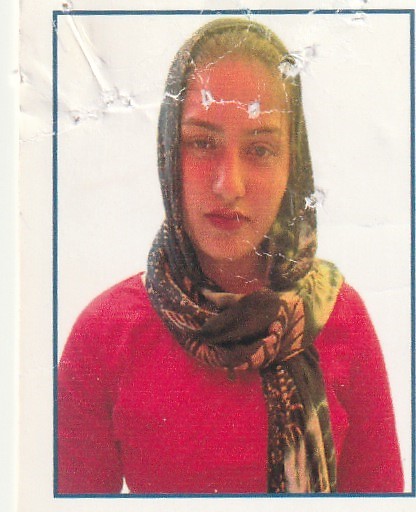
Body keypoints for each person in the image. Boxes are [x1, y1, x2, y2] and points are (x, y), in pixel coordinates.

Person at [58, 18, 403, 494]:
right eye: (202, 143)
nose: (229, 185)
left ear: (292, 164)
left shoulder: (340, 316)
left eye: (260, 149)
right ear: (168, 152)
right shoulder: (104, 334)